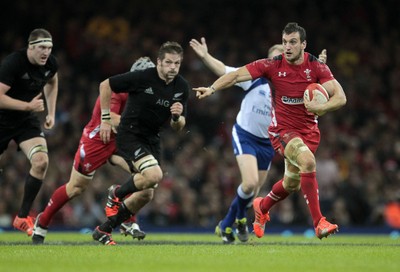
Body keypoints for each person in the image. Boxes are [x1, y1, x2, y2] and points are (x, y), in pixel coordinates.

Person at [193, 22, 346, 240]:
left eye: (292, 42)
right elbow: (235, 75)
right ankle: (319, 222)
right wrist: (212, 88)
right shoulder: (271, 66)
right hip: (281, 132)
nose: (287, 47)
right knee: (308, 162)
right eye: (285, 42)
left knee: (291, 183)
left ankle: (262, 207)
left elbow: (341, 97)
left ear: (303, 44)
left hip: (308, 132)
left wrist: (322, 107)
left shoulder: (317, 67)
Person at [31, 57, 155, 244]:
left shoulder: (148, 93)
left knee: (145, 178)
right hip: (98, 140)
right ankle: (43, 221)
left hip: (121, 141)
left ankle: (127, 218)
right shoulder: (119, 88)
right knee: (76, 188)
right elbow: (112, 118)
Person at [92, 41, 189, 245]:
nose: (173, 67)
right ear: (159, 62)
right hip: (130, 134)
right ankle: (116, 193)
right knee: (154, 175)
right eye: (169, 62)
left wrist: (176, 117)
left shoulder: (181, 87)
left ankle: (103, 229)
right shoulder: (143, 77)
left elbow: (179, 126)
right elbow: (105, 85)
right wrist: (105, 119)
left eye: (177, 63)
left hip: (152, 139)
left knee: (147, 193)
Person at [0, 28, 58, 236]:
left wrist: (51, 112)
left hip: (24, 120)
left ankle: (22, 217)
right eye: (42, 47)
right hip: (2, 118)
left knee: (41, 161)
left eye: (49, 48)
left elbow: (52, 80)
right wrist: (27, 106)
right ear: (30, 47)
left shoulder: (50, 63)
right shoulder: (13, 63)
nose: (46, 52)